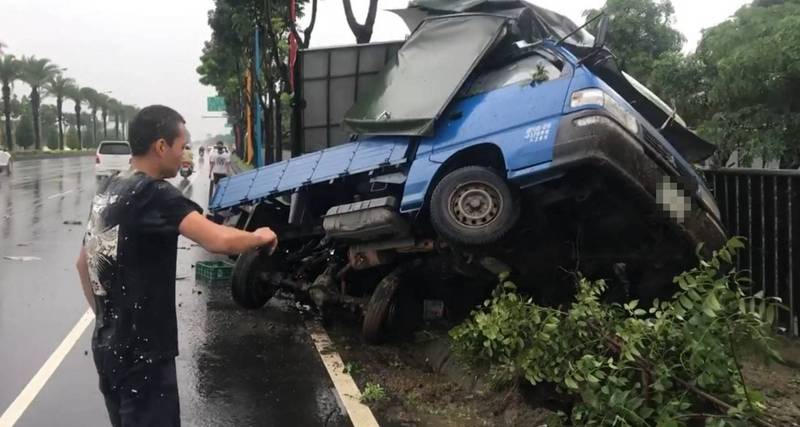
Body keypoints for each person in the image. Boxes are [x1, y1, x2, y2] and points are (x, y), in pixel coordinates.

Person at [75, 105, 277, 427]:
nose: (185, 156)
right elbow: (217, 239)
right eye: (182, 147)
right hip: (145, 359)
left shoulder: (110, 189)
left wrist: (107, 321)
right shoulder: (155, 195)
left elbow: (83, 264)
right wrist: (258, 236)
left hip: (107, 349)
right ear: (160, 147)